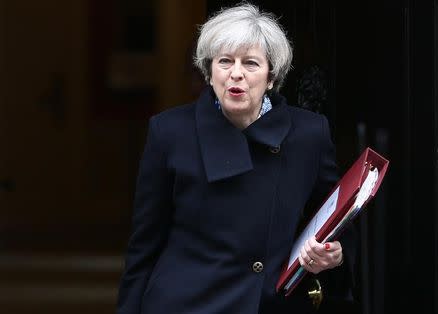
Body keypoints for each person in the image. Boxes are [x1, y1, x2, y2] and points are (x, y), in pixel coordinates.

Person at [116, 3, 355, 314]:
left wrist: (333, 254)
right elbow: (144, 246)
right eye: (224, 61)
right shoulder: (169, 132)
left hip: (269, 304)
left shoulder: (309, 134)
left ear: (272, 76)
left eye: (251, 63)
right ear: (209, 71)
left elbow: (332, 222)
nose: (236, 74)